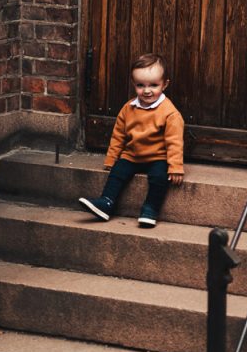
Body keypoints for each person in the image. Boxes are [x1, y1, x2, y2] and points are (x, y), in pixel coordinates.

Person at [78, 52, 184, 228]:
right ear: (134, 84)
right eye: (140, 85)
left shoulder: (170, 113)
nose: (147, 90)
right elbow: (118, 135)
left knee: (159, 177)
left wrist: (176, 166)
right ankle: (106, 203)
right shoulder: (129, 108)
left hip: (158, 156)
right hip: (133, 155)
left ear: (165, 85)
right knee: (118, 171)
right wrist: (112, 158)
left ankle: (150, 209)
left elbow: (174, 141)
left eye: (154, 85)